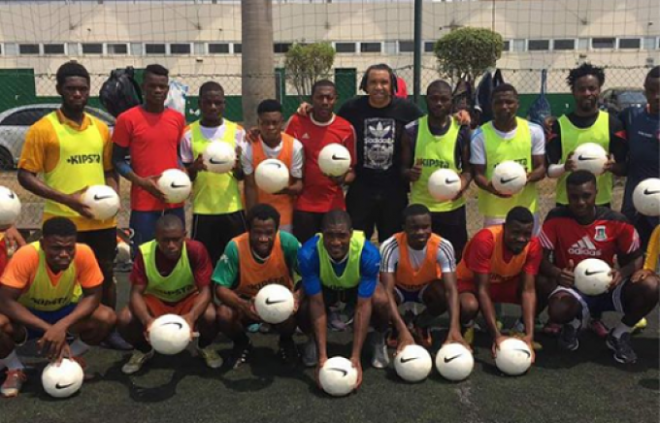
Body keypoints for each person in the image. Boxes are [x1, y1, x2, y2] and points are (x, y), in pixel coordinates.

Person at [17, 61, 126, 349]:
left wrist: (113, 195)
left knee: (105, 274)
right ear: (59, 90)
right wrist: (68, 200)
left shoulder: (101, 129)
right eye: (71, 89)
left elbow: (110, 169)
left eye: (82, 89)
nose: (77, 94)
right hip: (62, 220)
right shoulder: (43, 129)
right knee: (60, 277)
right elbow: (25, 176)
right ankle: (51, 328)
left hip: (101, 219)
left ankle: (108, 329)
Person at [538, 171, 659, 364]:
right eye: (574, 196)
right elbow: (540, 259)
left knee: (651, 285)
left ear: (596, 192)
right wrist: (558, 274)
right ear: (566, 195)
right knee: (558, 308)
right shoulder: (555, 218)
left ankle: (619, 334)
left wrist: (622, 272)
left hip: (608, 288)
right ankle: (573, 323)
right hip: (573, 289)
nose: (580, 202)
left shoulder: (617, 221)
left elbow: (636, 259)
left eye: (586, 195)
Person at [0, 218, 117, 397]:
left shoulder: (84, 253)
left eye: (69, 248)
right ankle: (15, 367)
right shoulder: (27, 255)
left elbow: (93, 296)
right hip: (27, 318)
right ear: (42, 244)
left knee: (106, 316)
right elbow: (5, 301)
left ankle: (70, 359)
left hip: (64, 313)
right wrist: (49, 329)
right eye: (56, 248)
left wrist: (62, 326)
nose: (64, 254)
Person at [297, 210, 389, 390]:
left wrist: (355, 357)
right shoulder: (308, 253)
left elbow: (363, 305)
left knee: (381, 300)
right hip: (326, 288)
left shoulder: (368, 253)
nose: (335, 242)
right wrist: (323, 357)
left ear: (351, 233)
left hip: (354, 289)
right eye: (329, 235)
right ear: (321, 233)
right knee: (303, 304)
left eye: (342, 236)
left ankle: (378, 338)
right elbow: (316, 303)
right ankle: (313, 341)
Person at [118, 215, 220, 374]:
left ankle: (204, 346)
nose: (171, 245)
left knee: (211, 315)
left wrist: (192, 316)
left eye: (176, 239)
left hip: (187, 299)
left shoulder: (196, 249)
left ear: (184, 235)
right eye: (165, 240)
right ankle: (144, 350)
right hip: (156, 300)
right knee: (125, 318)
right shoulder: (145, 252)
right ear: (156, 237)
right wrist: (147, 320)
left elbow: (206, 290)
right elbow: (136, 293)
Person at [214, 204, 301, 368]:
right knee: (224, 314)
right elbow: (220, 287)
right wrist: (243, 305)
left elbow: (309, 275)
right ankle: (242, 343)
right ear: (248, 230)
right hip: (249, 302)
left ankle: (286, 341)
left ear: (276, 230)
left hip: (281, 301)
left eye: (269, 233)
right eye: (257, 232)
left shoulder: (288, 242)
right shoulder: (235, 246)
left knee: (307, 305)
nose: (263, 238)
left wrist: (297, 296)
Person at [112, 64, 187, 247]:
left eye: (162, 86)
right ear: (143, 87)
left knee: (174, 255)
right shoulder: (127, 119)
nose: (157, 90)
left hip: (174, 200)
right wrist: (141, 182)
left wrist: (182, 171)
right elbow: (117, 159)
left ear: (168, 89)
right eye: (152, 86)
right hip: (143, 204)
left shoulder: (177, 119)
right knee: (142, 257)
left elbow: (177, 154)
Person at [379, 204, 466, 350]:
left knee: (444, 293)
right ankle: (396, 327)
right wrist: (403, 332)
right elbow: (387, 291)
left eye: (425, 227)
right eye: (414, 228)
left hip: (425, 289)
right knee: (380, 298)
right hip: (398, 289)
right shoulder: (390, 246)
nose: (421, 232)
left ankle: (420, 324)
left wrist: (454, 328)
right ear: (404, 228)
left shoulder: (443, 246)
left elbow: (451, 290)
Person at [456, 207, 541, 356]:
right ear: (504, 227)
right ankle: (466, 325)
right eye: (515, 232)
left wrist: (530, 334)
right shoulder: (485, 240)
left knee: (543, 285)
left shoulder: (533, 245)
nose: (521, 238)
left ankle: (522, 331)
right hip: (472, 284)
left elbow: (528, 291)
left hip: (504, 282)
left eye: (526, 234)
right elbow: (482, 289)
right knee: (469, 305)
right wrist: (497, 336)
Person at [402, 80, 473, 258]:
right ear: (427, 100)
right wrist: (409, 173)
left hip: (452, 207)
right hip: (421, 208)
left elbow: (469, 168)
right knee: (421, 256)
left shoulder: (461, 130)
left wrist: (462, 183)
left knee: (455, 256)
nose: (439, 103)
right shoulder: (412, 130)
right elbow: (401, 169)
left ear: (451, 101)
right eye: (434, 99)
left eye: (444, 99)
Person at [181, 81, 247, 265]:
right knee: (204, 264)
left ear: (224, 104)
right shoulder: (188, 134)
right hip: (203, 210)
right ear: (199, 103)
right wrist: (194, 167)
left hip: (232, 209)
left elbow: (243, 176)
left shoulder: (237, 132)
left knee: (236, 262)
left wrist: (237, 167)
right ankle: (207, 294)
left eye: (218, 102)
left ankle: (235, 294)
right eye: (208, 102)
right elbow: (187, 178)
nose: (213, 107)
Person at [546, 63, 627, 208]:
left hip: (600, 203)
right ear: (573, 92)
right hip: (567, 203)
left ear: (599, 90)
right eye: (581, 89)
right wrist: (564, 167)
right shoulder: (559, 125)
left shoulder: (612, 124)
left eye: (592, 88)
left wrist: (611, 167)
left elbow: (624, 168)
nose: (587, 93)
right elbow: (549, 171)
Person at [285, 80, 356, 244]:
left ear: (335, 99)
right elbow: (283, 150)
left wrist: (342, 179)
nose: (325, 102)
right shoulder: (297, 122)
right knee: (305, 252)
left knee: (333, 252)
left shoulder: (346, 129)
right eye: (320, 97)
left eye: (329, 98)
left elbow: (352, 171)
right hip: (303, 205)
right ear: (312, 99)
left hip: (333, 205)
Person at [471, 83, 546, 233]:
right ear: (491, 105)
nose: (504, 106)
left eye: (509, 102)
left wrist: (527, 177)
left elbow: (541, 168)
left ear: (517, 104)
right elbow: (478, 174)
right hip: (495, 211)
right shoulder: (480, 135)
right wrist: (491, 187)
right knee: (496, 254)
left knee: (530, 252)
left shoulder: (534, 131)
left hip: (526, 209)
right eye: (498, 102)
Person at [243, 99, 304, 233]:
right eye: (265, 123)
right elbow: (250, 186)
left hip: (284, 214)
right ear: (258, 123)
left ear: (282, 122)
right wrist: (252, 217)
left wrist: (284, 189)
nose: (270, 127)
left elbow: (298, 185)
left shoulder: (294, 146)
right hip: (260, 216)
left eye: (275, 123)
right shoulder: (248, 147)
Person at [620, 66, 660, 250]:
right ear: (645, 91)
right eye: (652, 91)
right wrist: (552, 122)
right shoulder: (631, 116)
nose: (657, 96)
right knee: (631, 249)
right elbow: (600, 121)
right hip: (634, 198)